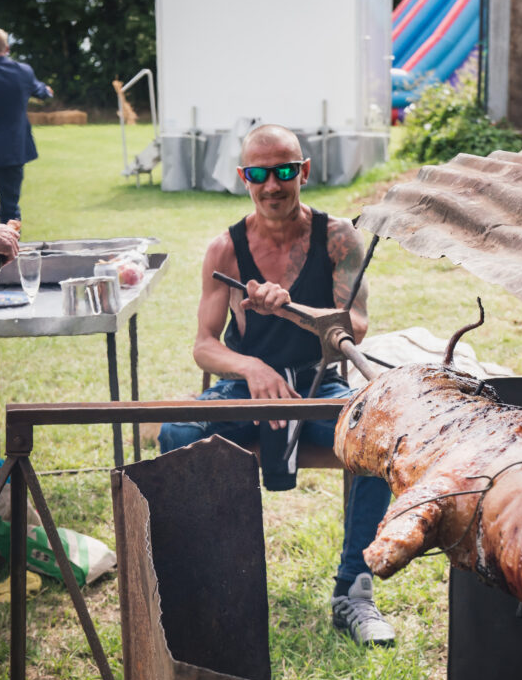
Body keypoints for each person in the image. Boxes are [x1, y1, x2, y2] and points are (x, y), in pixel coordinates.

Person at [159, 124, 395, 646]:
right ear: (244, 177)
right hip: (245, 391)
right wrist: (250, 368)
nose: (273, 186)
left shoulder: (339, 238)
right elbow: (204, 344)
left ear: (303, 171)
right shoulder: (225, 248)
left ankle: (352, 593)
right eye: (260, 174)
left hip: (318, 387)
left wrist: (288, 308)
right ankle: (208, 583)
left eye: (285, 171)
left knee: (376, 433)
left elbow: (353, 327)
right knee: (175, 435)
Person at [0, 27, 53, 224]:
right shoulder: (23, 72)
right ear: (7, 48)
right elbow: (42, 92)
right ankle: (8, 254)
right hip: (12, 151)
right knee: (10, 210)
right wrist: (47, 90)